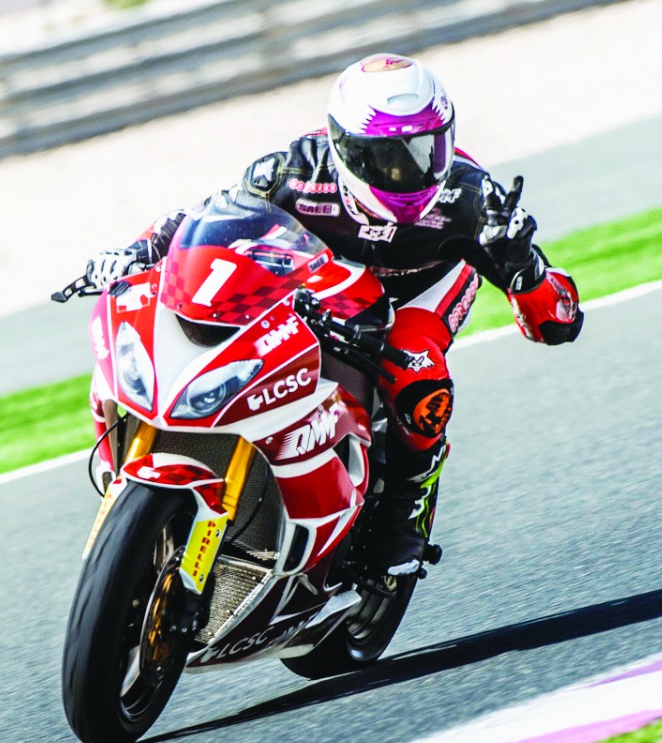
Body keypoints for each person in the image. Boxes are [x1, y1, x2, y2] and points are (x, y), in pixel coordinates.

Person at [85, 53, 583, 576]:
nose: (408, 171)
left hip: (419, 293)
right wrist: (140, 250)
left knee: (417, 372)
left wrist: (522, 267)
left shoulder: (474, 201)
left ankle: (405, 512)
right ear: (344, 147)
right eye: (387, 158)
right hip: (318, 283)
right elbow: (207, 218)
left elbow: (560, 322)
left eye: (423, 150)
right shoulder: (295, 171)